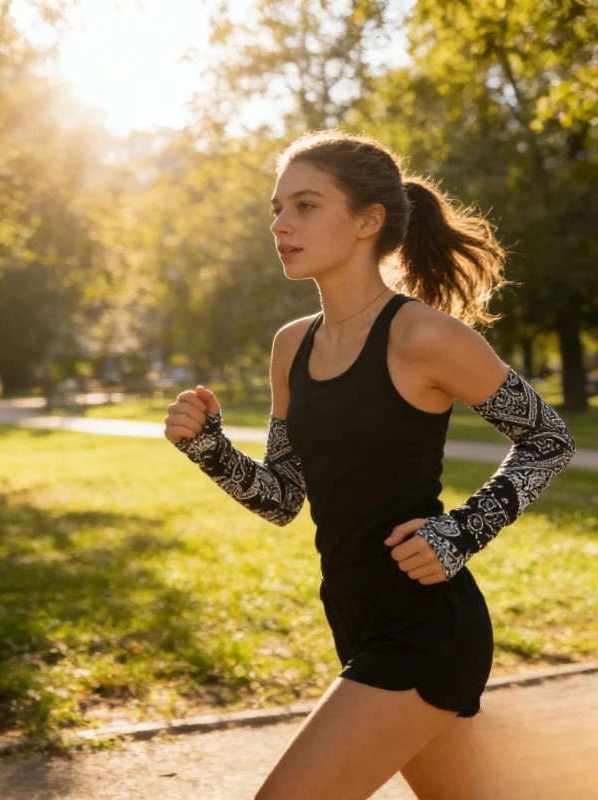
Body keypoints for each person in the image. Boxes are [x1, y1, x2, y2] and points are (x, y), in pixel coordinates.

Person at [163, 130, 577, 799]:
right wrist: (208, 448)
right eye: (277, 208)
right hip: (351, 613)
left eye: (305, 206)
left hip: (424, 622)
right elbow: (283, 498)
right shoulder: (292, 347)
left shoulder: (424, 336)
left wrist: (463, 531)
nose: (280, 224)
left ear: (368, 221)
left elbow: (548, 438)